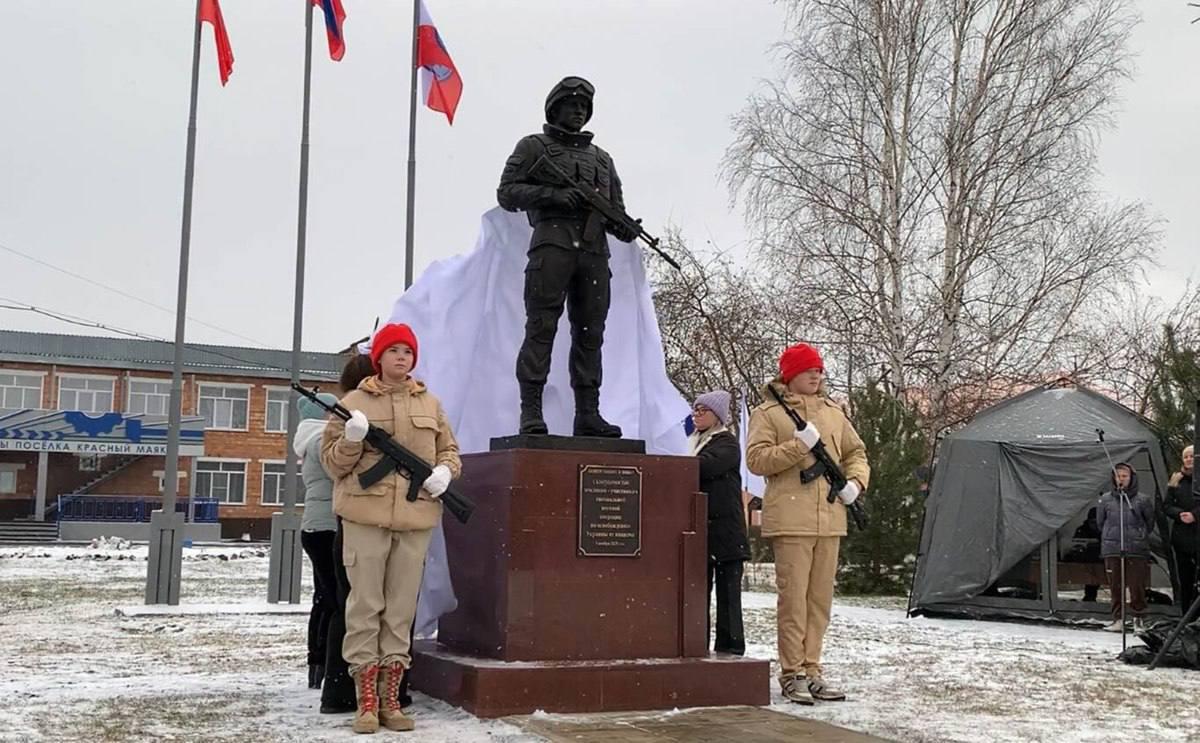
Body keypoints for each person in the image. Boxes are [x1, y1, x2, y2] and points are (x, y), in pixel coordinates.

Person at [321, 324, 462, 734]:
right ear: (378, 357)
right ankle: (366, 703)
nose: (402, 357)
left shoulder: (431, 404)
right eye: (394, 350)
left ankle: (391, 700)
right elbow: (333, 465)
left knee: (400, 610)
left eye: (408, 351)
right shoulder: (353, 403)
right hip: (365, 516)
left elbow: (449, 450)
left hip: (415, 517)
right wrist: (351, 439)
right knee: (365, 606)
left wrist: (443, 473)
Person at [497, 75, 640, 438]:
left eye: (583, 107)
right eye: (571, 105)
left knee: (591, 334)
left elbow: (614, 212)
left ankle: (588, 413)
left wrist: (626, 227)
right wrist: (553, 196)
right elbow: (508, 193)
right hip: (552, 247)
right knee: (541, 330)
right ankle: (531, 411)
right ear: (555, 108)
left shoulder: (603, 160)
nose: (578, 112)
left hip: (593, 254)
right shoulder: (533, 147)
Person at [747, 342, 869, 705]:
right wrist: (799, 447)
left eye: (819, 370)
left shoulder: (833, 412)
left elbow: (855, 452)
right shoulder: (769, 414)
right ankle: (792, 672)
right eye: (808, 370)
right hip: (791, 518)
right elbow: (756, 460)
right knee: (794, 601)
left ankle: (812, 669)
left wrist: (854, 483)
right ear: (791, 374)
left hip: (830, 518)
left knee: (819, 601)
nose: (816, 375)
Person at [320, 352, 377, 715]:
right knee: (355, 605)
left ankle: (340, 687)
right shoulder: (348, 415)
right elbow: (335, 465)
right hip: (358, 516)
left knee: (348, 604)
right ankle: (343, 690)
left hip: (358, 517)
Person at [689, 389, 751, 655]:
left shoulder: (726, 443)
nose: (697, 416)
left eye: (703, 411)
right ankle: (695, 643)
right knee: (698, 594)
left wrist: (681, 463)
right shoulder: (692, 442)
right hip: (702, 531)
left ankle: (731, 647)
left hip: (725, 535)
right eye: (695, 410)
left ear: (717, 416)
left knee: (728, 598)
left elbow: (706, 467)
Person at [295, 390, 339, 690]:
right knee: (335, 600)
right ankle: (325, 662)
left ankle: (316, 663)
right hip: (329, 527)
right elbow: (342, 471)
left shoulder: (308, 439)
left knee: (323, 598)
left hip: (315, 527)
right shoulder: (323, 440)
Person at [1095, 462, 1155, 631]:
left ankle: (1138, 619)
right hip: (1113, 548)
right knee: (1115, 585)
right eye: (1118, 476)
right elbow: (1100, 523)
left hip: (1136, 549)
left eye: (1124, 476)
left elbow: (1149, 522)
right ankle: (1118, 619)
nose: (1121, 479)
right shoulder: (1105, 499)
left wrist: (1138, 536)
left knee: (1136, 585)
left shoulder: (1143, 500)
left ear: (1131, 478)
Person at [1165, 445, 1197, 611]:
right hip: (1182, 539)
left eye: (1192, 456)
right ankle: (1185, 616)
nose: (1189, 459)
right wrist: (1179, 514)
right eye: (1185, 457)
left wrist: (1195, 515)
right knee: (1186, 581)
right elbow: (1167, 505)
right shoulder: (1176, 480)